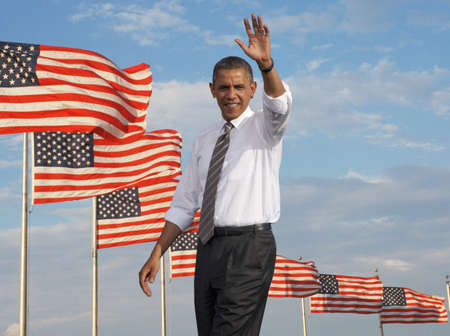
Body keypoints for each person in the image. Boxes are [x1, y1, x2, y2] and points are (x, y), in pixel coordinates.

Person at [139, 13, 292, 335]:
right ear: (212, 90)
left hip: (250, 247)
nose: (231, 94)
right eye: (223, 87)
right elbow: (184, 203)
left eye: (239, 87)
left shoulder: (265, 127)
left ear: (252, 89)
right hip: (208, 248)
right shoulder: (205, 139)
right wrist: (156, 252)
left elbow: (280, 103)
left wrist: (266, 65)